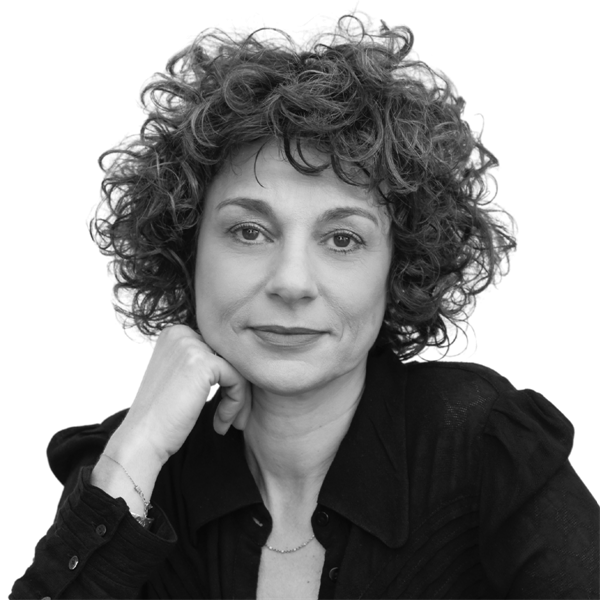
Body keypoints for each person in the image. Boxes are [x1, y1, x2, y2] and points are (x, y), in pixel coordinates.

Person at [11, 10, 599, 600]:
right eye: (248, 232)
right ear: (186, 249)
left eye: (342, 239)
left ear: (400, 268)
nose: (292, 283)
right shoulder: (130, 465)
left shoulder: (486, 446)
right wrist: (133, 454)